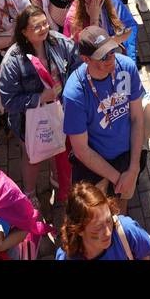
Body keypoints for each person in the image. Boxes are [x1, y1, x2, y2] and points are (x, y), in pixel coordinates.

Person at [0, 4, 79, 204]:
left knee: (57, 147)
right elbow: (8, 100)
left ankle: (55, 176)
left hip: (60, 111)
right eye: (37, 26)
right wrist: (39, 98)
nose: (44, 29)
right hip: (29, 120)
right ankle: (30, 193)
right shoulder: (13, 60)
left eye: (45, 23)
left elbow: (77, 64)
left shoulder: (58, 42)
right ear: (24, 32)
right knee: (32, 156)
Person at [62, 26, 145, 200]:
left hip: (126, 156)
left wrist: (134, 168)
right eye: (102, 56)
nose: (110, 59)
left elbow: (137, 118)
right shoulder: (75, 93)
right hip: (94, 165)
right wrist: (118, 178)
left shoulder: (127, 67)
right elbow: (81, 150)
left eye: (111, 51)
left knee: (122, 207)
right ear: (85, 59)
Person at [56, 180, 150, 260]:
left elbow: (145, 254)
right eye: (98, 227)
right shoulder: (66, 257)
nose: (108, 232)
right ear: (79, 230)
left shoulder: (127, 230)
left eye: (108, 220)